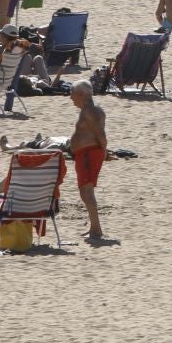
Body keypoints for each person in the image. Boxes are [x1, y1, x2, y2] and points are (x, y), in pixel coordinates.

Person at [67, 81, 106, 241]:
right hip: (85, 154)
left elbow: (101, 135)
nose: (71, 98)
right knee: (85, 191)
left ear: (82, 94)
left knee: (87, 191)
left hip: (89, 155)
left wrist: (104, 152)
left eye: (73, 94)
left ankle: (96, 229)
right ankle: (94, 227)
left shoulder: (91, 111)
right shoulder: (87, 111)